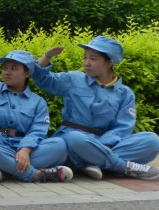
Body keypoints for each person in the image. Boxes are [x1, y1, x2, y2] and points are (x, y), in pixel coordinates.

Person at [34, 35, 159, 180]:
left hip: (106, 144)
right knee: (75, 137)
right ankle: (124, 166)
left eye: (93, 59)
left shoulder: (125, 93)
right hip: (75, 141)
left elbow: (123, 127)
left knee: (152, 140)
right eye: (85, 57)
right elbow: (43, 79)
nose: (86, 63)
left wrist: (100, 146)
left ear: (109, 63)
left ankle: (93, 162)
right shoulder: (74, 79)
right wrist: (47, 56)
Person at [0, 38, 71, 183]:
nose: (7, 72)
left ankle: (7, 170)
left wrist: (25, 149)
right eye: (5, 68)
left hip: (21, 147)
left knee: (60, 145)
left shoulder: (38, 102)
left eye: (14, 68)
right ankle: (35, 174)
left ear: (27, 73)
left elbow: (38, 130)